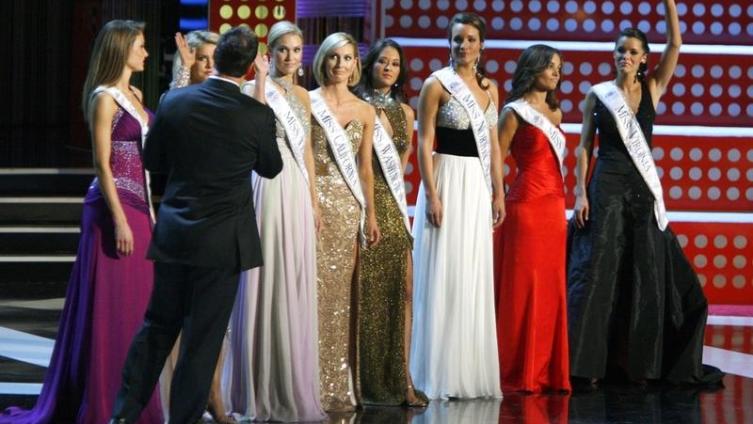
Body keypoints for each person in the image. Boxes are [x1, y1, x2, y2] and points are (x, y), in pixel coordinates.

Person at [109, 26, 282, 423]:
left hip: (176, 236)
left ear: (215, 58)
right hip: (223, 245)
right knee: (201, 342)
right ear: (250, 66)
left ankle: (123, 415)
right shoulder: (256, 114)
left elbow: (154, 161)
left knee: (157, 327)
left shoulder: (174, 100)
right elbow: (271, 167)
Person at [0, 20, 162, 424]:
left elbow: (143, 160)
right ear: (121, 49)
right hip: (111, 211)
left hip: (140, 207)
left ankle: (130, 399)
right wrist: (120, 220)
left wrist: (149, 211)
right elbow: (103, 166)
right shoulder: (104, 98)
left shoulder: (136, 96)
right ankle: (102, 400)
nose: (146, 53)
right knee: (110, 307)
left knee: (137, 306)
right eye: (140, 46)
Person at [567, 0, 723, 385]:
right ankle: (587, 367)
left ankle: (639, 366)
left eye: (632, 51)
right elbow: (584, 146)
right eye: (620, 50)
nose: (625, 56)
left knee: (643, 271)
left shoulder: (653, 87)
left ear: (643, 59)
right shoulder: (598, 95)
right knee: (600, 271)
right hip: (606, 185)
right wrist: (580, 193)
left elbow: (676, 44)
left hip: (641, 189)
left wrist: (668, 4)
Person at [222, 21, 326, 422]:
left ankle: (287, 378)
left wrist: (314, 201)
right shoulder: (253, 89)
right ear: (270, 52)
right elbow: (254, 127)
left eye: (297, 50)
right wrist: (263, 82)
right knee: (263, 271)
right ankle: (255, 383)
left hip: (296, 186)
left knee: (291, 271)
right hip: (264, 183)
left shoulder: (303, 95)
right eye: (283, 49)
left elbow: (308, 151)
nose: (290, 57)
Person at [409, 12, 504, 400]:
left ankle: (468, 372)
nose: (463, 45)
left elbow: (494, 144)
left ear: (482, 45)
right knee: (444, 272)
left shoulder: (491, 89)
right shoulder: (436, 85)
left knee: (471, 272)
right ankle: (437, 373)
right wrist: (432, 194)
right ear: (449, 43)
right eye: (457, 39)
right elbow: (423, 142)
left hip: (477, 186)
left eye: (470, 39)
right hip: (446, 180)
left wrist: (499, 192)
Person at [159, 28, 230, 424]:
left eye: (214, 59)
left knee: (216, 322)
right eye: (201, 59)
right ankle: (174, 400)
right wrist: (182, 76)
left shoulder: (231, 102)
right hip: (185, 221)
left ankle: (214, 394)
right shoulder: (176, 103)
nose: (208, 66)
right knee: (177, 315)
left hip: (222, 222)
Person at [353, 39, 427, 407]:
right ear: (370, 66)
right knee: (366, 293)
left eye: (395, 64)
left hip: (394, 204)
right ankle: (362, 378)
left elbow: (403, 162)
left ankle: (402, 377)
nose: (388, 68)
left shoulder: (407, 113)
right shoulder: (356, 106)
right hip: (362, 201)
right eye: (382, 61)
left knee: (405, 290)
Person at [494, 44, 571, 393]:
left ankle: (544, 370)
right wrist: (498, 198)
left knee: (550, 288)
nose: (556, 73)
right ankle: (515, 369)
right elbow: (496, 160)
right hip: (525, 207)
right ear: (533, 68)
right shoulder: (514, 112)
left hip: (554, 209)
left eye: (558, 68)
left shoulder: (555, 114)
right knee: (524, 288)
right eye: (550, 66)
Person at [309, 32, 380, 412]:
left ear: (356, 64)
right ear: (324, 60)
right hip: (312, 206)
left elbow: (365, 168)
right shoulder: (306, 101)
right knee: (308, 293)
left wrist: (371, 213)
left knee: (338, 299)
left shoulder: (365, 110)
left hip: (347, 208)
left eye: (348, 58)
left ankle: (334, 383)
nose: (340, 64)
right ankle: (303, 382)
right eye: (334, 57)